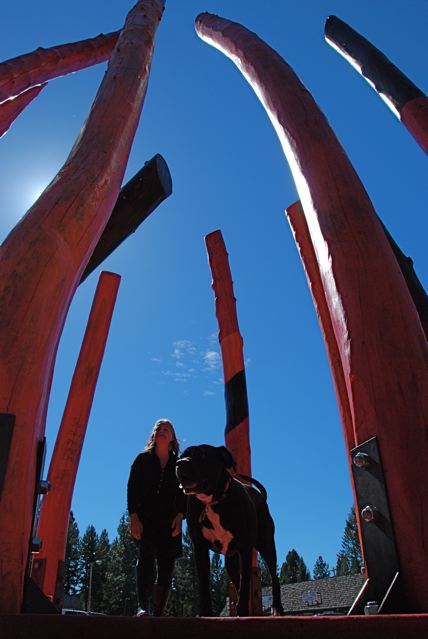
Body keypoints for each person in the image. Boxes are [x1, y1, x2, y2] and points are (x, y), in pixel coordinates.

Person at [127, 418, 186, 616]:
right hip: (146, 520)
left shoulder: (179, 464)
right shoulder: (142, 460)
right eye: (159, 428)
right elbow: (132, 488)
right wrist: (133, 516)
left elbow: (184, 492)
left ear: (172, 437)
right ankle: (143, 606)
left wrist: (181, 515)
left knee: (167, 565)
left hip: (170, 521)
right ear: (154, 435)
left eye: (167, 428)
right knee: (145, 557)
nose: (162, 430)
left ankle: (158, 612)